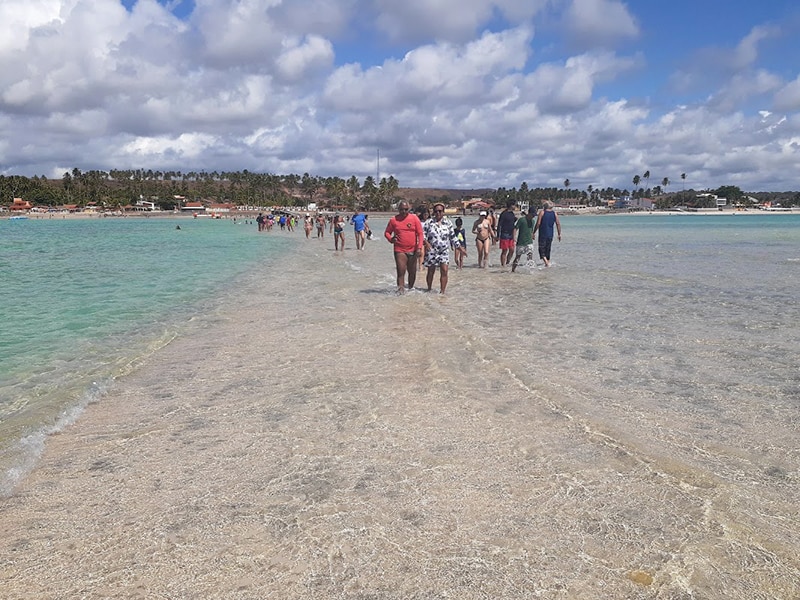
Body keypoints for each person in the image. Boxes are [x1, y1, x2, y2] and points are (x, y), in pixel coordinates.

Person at [384, 201, 424, 294]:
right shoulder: (394, 220)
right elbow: (387, 233)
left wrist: (419, 247)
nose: (404, 211)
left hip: (413, 249)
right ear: (398, 209)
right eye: (402, 209)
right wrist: (391, 239)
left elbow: (420, 234)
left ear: (409, 209)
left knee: (412, 271)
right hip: (400, 250)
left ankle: (410, 289)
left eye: (406, 209)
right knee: (401, 270)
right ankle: (400, 291)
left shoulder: (414, 218)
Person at [422, 203, 456, 294]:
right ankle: (429, 289)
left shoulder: (448, 223)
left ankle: (442, 292)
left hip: (444, 251)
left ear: (443, 212)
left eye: (440, 211)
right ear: (433, 212)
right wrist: (426, 243)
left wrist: (460, 248)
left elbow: (453, 237)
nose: (438, 213)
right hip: (432, 250)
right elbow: (422, 234)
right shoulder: (429, 222)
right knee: (431, 271)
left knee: (444, 270)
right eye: (436, 211)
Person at [533, 200, 562, 267]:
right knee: (548, 249)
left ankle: (547, 263)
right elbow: (558, 224)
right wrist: (559, 234)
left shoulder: (542, 212)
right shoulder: (554, 213)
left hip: (543, 234)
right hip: (550, 234)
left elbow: (538, 223)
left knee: (541, 249)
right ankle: (547, 263)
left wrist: (534, 232)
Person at [511, 206, 537, 272]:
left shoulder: (533, 221)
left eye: (534, 215)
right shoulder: (521, 220)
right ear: (529, 213)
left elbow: (531, 230)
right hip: (521, 242)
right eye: (533, 215)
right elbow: (515, 228)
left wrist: (533, 235)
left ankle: (530, 271)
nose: (533, 216)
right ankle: (513, 270)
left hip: (529, 242)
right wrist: (514, 237)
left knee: (530, 257)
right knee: (517, 257)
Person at [496, 200, 517, 267]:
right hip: (504, 234)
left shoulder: (512, 213)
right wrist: (498, 235)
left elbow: (512, 222)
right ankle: (503, 265)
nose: (515, 206)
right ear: (511, 205)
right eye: (514, 205)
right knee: (504, 250)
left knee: (512, 250)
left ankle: (507, 262)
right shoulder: (504, 214)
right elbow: (499, 225)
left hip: (511, 234)